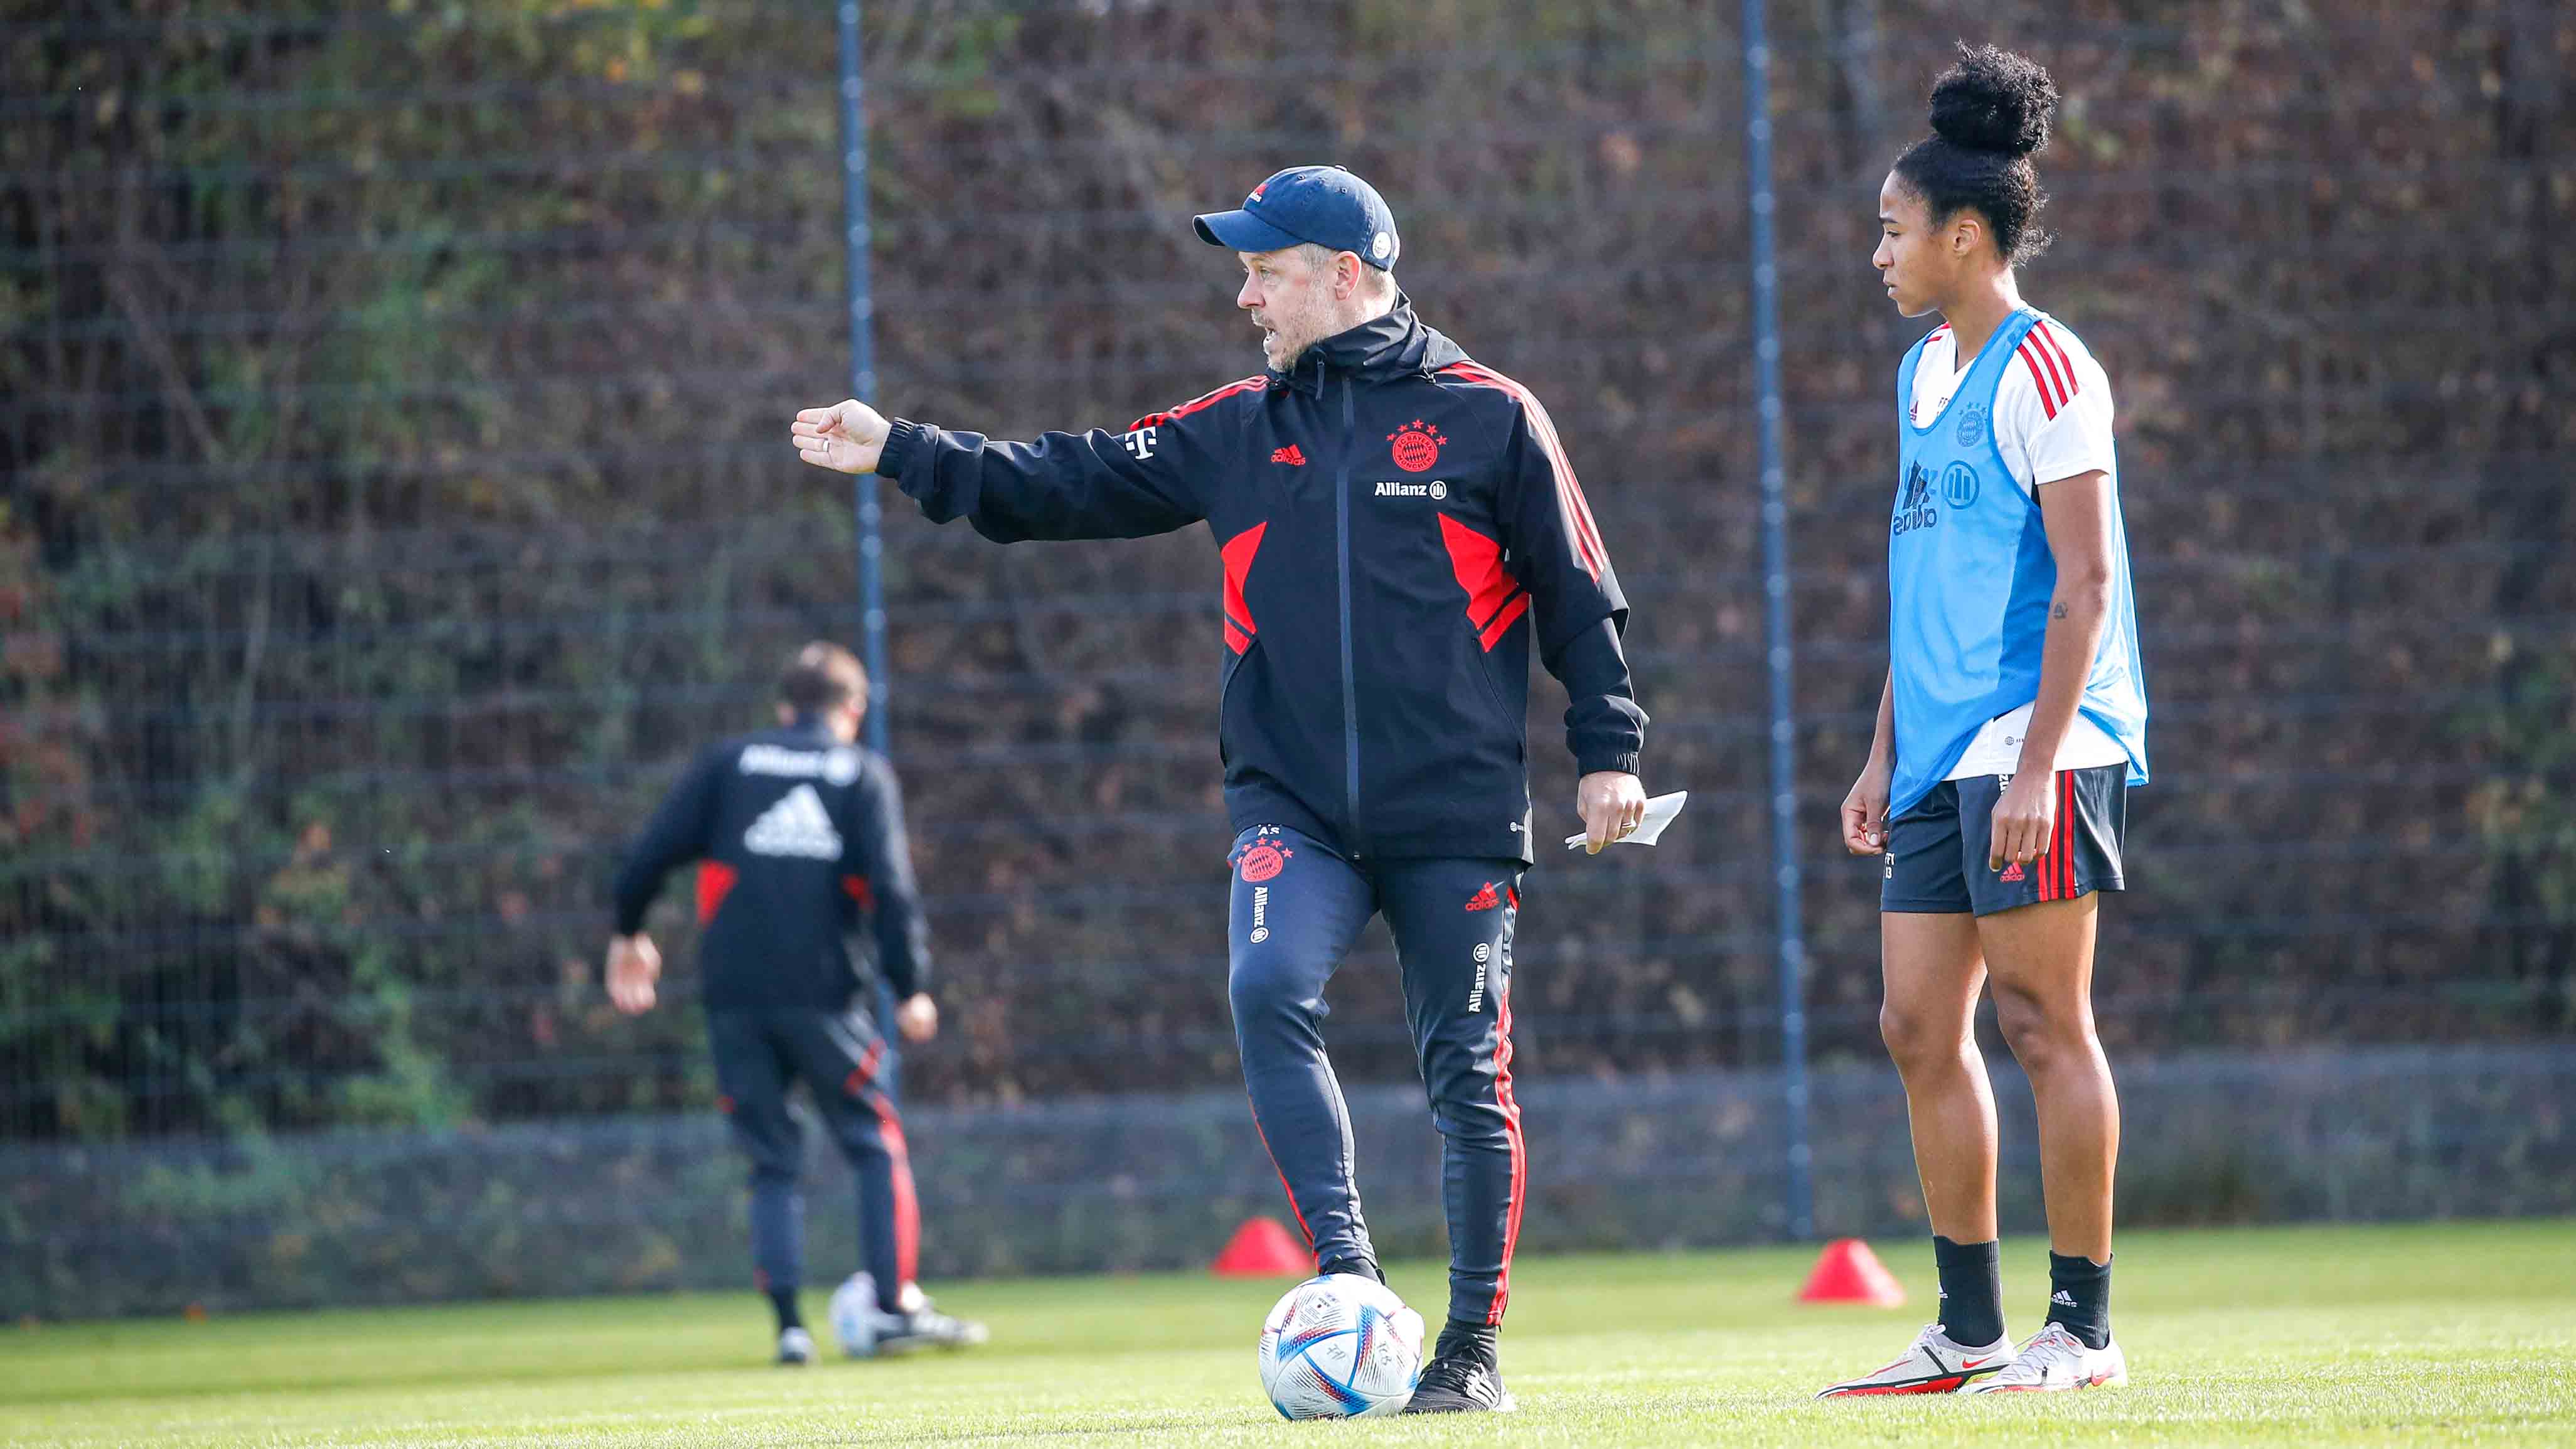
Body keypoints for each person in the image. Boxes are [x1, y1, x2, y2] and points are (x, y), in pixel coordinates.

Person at [791, 165, 1650, 1413]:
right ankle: (1349, 1275)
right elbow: (1063, 480)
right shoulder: (1240, 425)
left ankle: (1468, 1349)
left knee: (1469, 1071)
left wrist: (1609, 747)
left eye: (1264, 269)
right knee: (1263, 983)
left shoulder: (1491, 415)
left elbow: (1580, 593)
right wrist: (905, 449)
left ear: (1341, 275)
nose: (1244, 292)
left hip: (1456, 810)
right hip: (1291, 804)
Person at [1820, 46, 2149, 1398]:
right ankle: (1967, 1325)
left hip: (2045, 742)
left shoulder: (2048, 367)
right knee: (1914, 1020)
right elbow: (1927, 578)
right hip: (1939, 744)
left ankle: (2084, 1329)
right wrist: (1884, 745)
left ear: (1964, 234)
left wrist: (2029, 763)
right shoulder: (1919, 376)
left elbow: (2084, 582)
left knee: (2038, 1016)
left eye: (1895, 228)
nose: (1879, 250)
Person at [606, 641, 985, 1364]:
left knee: (772, 1161)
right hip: (823, 995)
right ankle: (893, 1300)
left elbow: (646, 856)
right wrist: (910, 987)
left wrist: (628, 933)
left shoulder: (729, 763)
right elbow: (893, 892)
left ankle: (789, 1328)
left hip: (733, 996)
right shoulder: (859, 774)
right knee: (874, 1139)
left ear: (784, 708)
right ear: (854, 709)